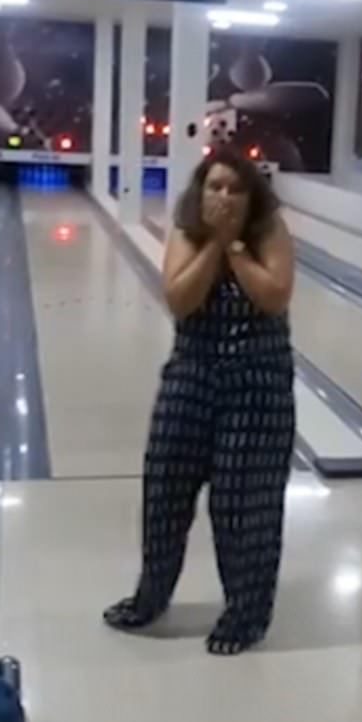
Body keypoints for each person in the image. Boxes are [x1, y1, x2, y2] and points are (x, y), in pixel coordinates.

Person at [104, 148, 296, 654]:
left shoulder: (270, 233)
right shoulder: (187, 234)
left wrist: (235, 246)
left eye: (235, 189)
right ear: (200, 192)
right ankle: (150, 598)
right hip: (192, 373)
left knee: (243, 507)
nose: (224, 196)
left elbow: (274, 296)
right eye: (215, 187)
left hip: (258, 385)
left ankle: (246, 615)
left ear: (252, 197)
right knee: (164, 491)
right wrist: (213, 242)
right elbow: (180, 300)